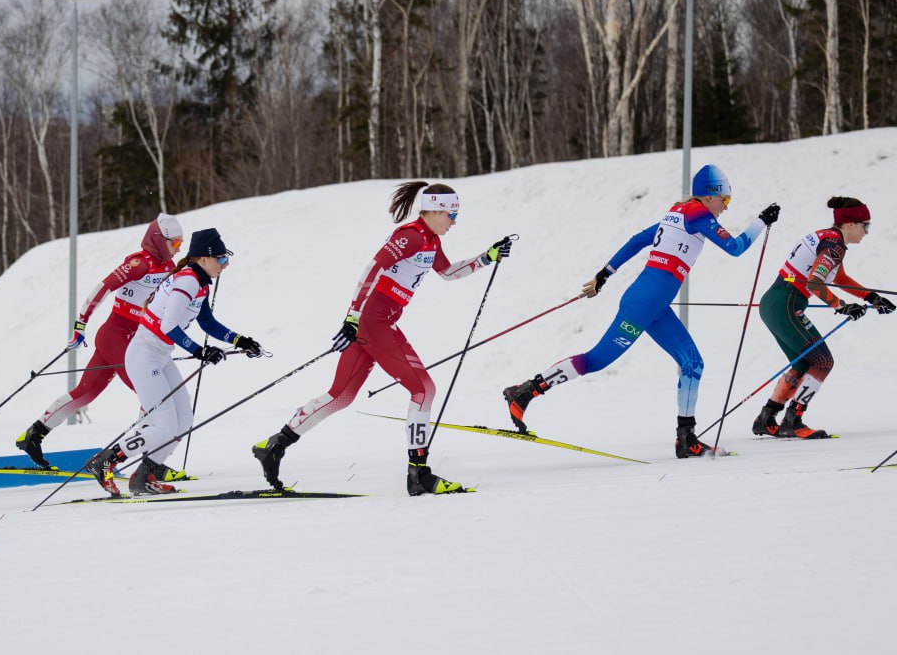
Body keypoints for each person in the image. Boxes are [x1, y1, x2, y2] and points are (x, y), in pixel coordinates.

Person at [253, 181, 512, 496]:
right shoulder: (411, 236)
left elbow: (448, 273)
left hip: (377, 322)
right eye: (451, 215)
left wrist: (487, 257)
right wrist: (352, 316)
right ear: (434, 210)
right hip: (373, 322)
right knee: (424, 389)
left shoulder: (430, 241)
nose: (454, 222)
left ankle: (274, 445)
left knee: (341, 395)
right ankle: (418, 473)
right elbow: (372, 269)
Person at [501, 165, 779, 458]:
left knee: (693, 363)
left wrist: (604, 274)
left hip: (654, 306)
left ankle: (686, 438)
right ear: (710, 196)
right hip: (644, 305)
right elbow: (735, 248)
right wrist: (761, 221)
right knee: (596, 360)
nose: (725, 207)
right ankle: (525, 391)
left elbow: (638, 240)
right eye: (725, 200)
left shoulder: (679, 212)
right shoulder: (698, 213)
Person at [84, 228, 263, 497]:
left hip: (159, 356)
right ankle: (106, 461)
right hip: (144, 356)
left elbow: (207, 322)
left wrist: (240, 340)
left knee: (183, 421)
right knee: (164, 426)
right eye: (221, 259)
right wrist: (200, 351)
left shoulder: (200, 282)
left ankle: (144, 476)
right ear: (203, 258)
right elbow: (168, 326)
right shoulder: (188, 280)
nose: (225, 265)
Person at [14, 213, 184, 470]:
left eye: (181, 244)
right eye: (175, 243)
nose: (177, 249)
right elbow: (102, 288)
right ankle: (150, 464)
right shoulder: (139, 263)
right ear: (160, 240)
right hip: (116, 337)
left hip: (134, 339)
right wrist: (80, 324)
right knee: (150, 393)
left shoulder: (168, 266)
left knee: (85, 393)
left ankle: (33, 435)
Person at [752, 196, 893, 439]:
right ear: (850, 224)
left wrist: (872, 298)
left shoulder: (828, 238)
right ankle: (793, 420)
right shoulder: (833, 245)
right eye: (865, 226)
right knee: (823, 361)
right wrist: (842, 306)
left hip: (776, 303)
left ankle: (767, 417)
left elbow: (840, 279)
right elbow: (815, 283)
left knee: (803, 364)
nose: (866, 232)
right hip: (786, 304)